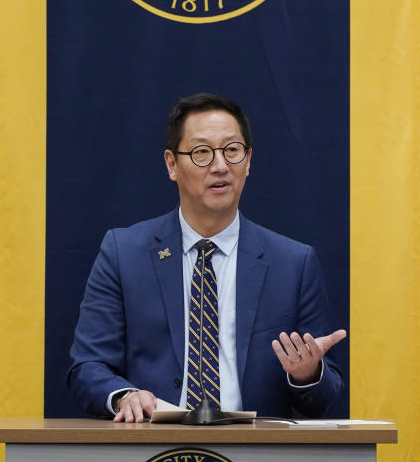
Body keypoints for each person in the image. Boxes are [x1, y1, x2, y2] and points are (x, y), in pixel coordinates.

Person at [68, 93, 346, 422]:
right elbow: (88, 366)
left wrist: (307, 374)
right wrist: (124, 396)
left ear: (248, 160)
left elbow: (325, 399)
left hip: (258, 450)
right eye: (202, 152)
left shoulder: (294, 263)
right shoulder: (124, 252)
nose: (220, 166)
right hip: (152, 446)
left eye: (232, 150)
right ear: (172, 164)